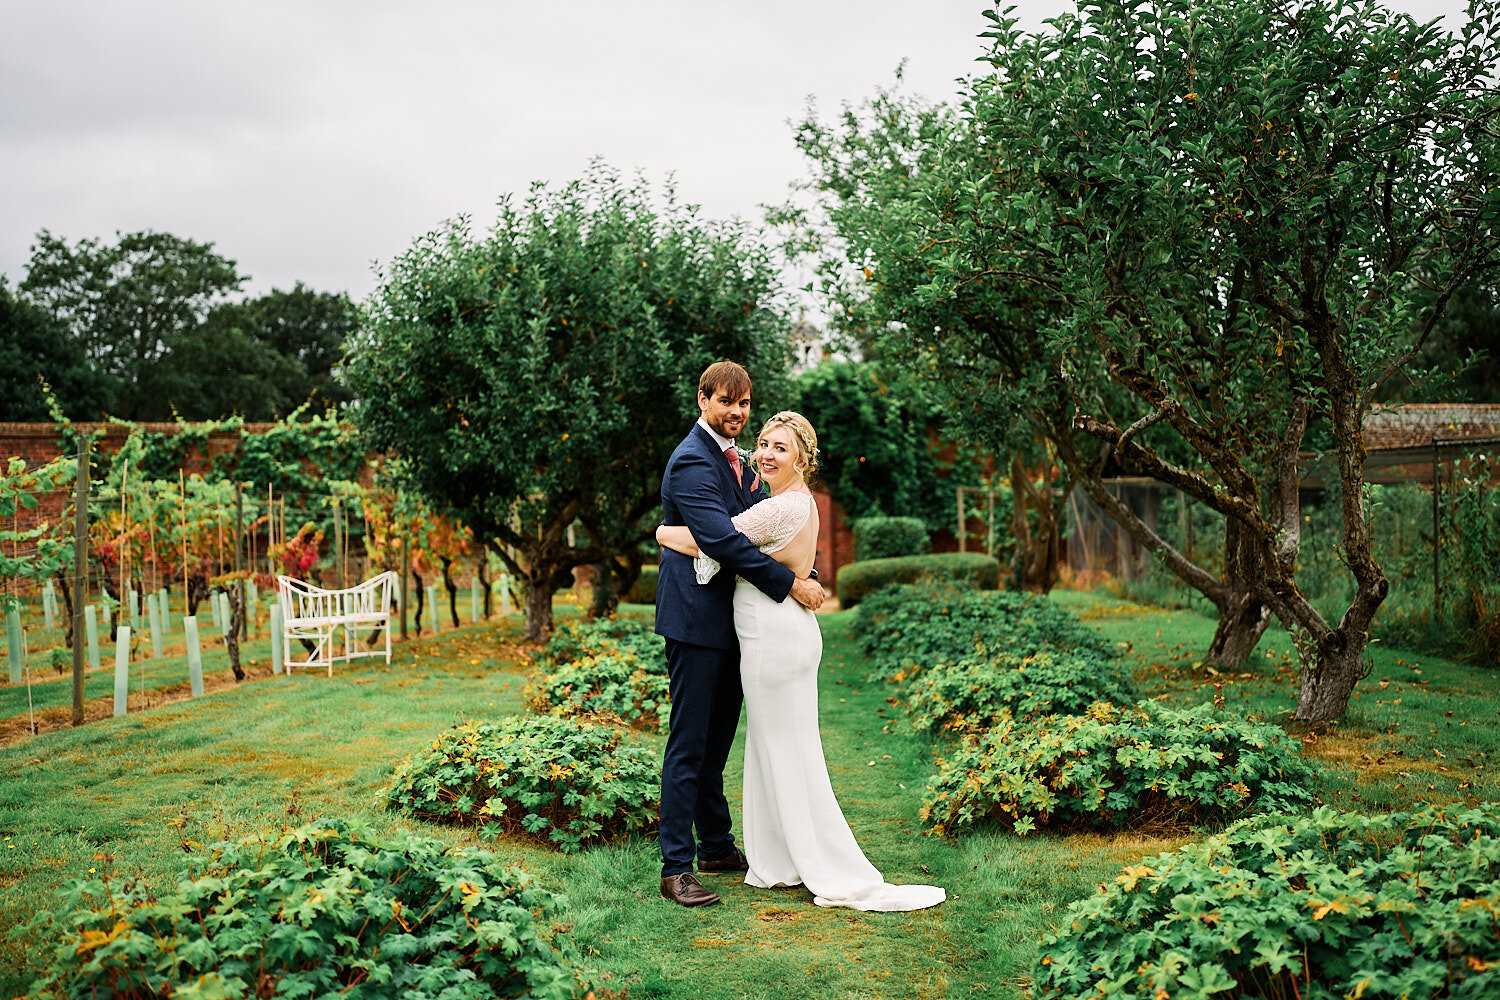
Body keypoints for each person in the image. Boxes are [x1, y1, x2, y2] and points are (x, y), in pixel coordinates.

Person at [658, 411, 945, 912]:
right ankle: (766, 855)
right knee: (773, 747)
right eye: (763, 444)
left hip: (772, 634)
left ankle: (797, 856)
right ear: (703, 401)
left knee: (781, 748)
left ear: (802, 458)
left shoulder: (780, 504)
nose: (765, 453)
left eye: (779, 447)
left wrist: (663, 533)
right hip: (764, 629)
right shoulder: (759, 489)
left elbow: (718, 543)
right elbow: (760, 549)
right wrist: (797, 579)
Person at [655, 362, 826, 908]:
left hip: (735, 623)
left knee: (716, 745)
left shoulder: (739, 460)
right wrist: (791, 586)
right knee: (688, 745)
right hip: (696, 624)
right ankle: (676, 867)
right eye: (726, 402)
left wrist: (807, 572)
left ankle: (717, 846)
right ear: (702, 399)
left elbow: (769, 526)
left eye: (745, 403)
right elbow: (723, 541)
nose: (736, 413)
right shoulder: (690, 461)